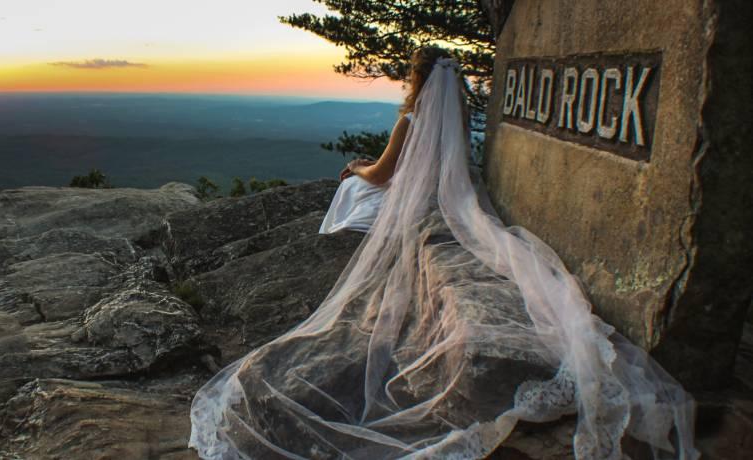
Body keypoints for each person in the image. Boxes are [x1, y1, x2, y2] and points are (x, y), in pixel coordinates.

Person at [189, 46, 699, 459]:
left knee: (352, 191)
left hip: (416, 198)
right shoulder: (457, 116)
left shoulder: (412, 119)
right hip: (450, 197)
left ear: (418, 80)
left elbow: (385, 175)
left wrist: (355, 165)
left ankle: (334, 235)